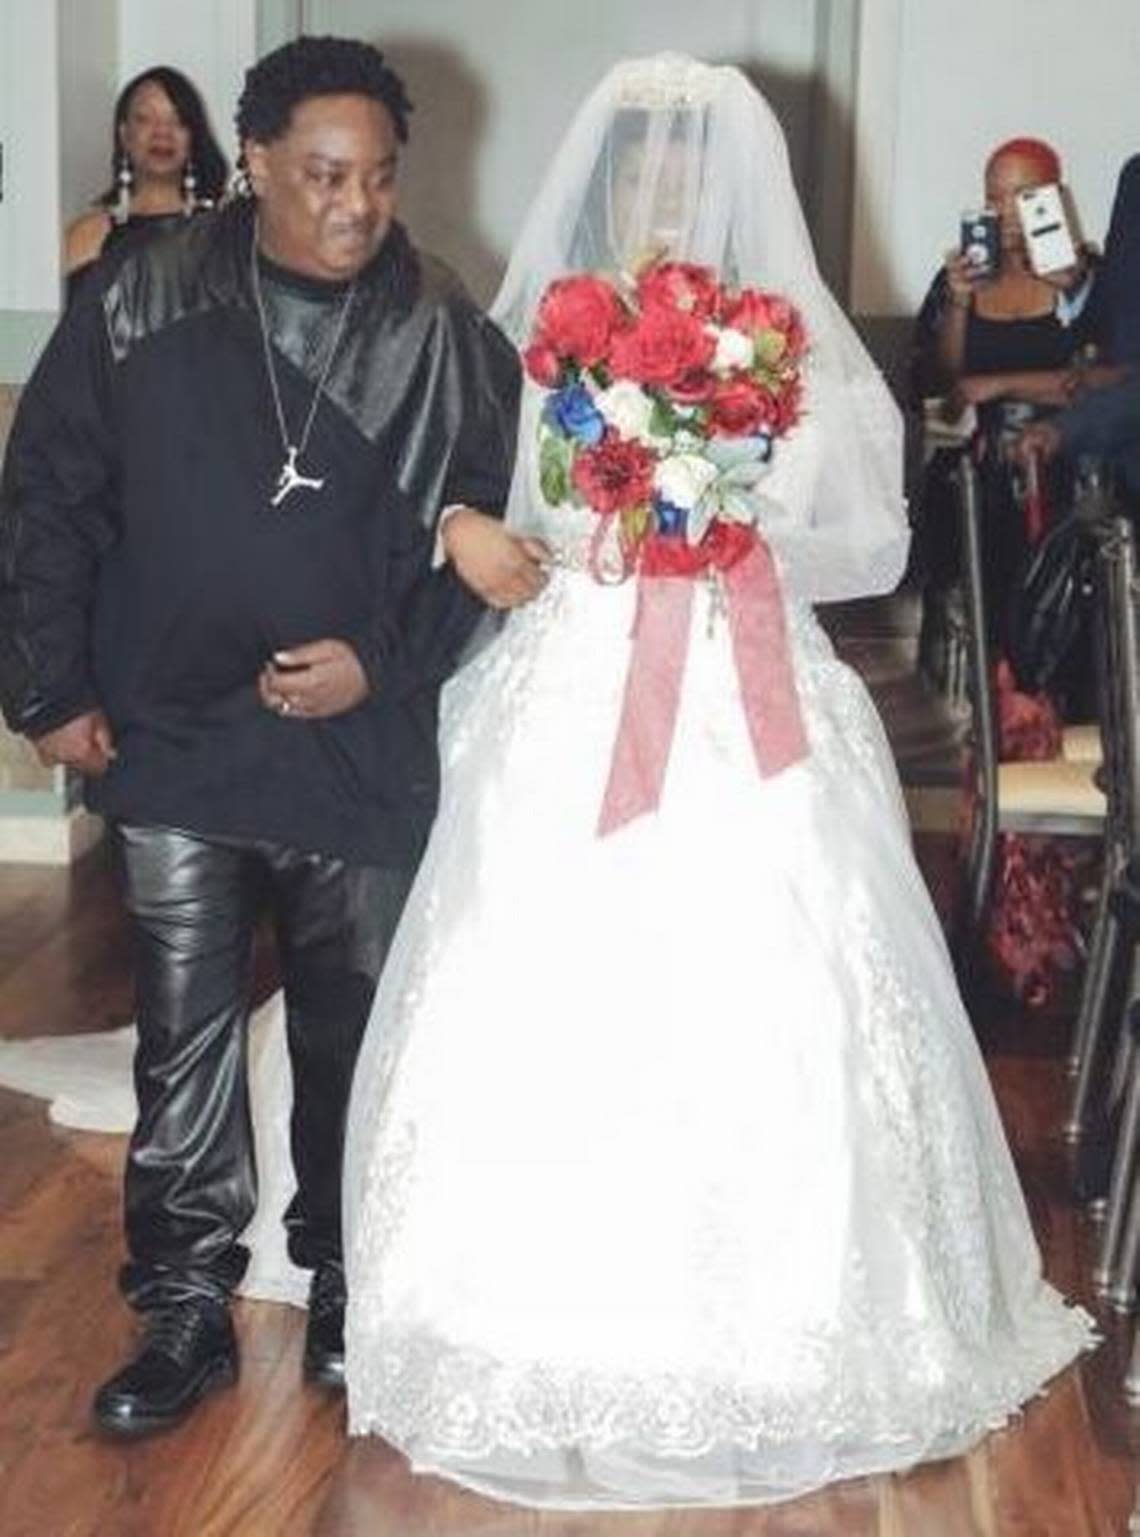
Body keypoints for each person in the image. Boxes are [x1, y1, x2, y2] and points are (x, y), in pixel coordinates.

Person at [336, 56, 1095, 1510]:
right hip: (583, 660)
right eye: (646, 171)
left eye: (691, 172)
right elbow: (507, 501)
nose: (669, 195)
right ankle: (518, 1299)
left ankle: (798, 1308)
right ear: (612, 185)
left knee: (779, 959)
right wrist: (610, 502)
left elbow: (867, 530)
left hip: (740, 667)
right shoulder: (555, 333)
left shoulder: (781, 336)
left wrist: (722, 501)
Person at [0, 34, 541, 1439]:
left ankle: (349, 1281)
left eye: (375, 176)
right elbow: (48, 491)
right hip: (176, 729)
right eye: (323, 174)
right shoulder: (143, 293)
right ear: (253, 163)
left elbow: (474, 540)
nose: (356, 204)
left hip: (354, 755)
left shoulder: (438, 324)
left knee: (349, 1032)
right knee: (180, 1034)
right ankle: (181, 1306)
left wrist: (387, 661)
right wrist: (46, 686)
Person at [911, 137, 1102, 697]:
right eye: (994, 199)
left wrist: (1001, 384)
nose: (1008, 214)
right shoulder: (962, 279)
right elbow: (941, 390)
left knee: (1058, 638)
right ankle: (986, 746)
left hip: (1065, 477)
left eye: (1025, 197)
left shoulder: (1091, 278)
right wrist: (960, 303)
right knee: (979, 632)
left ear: (1057, 200)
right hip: (977, 477)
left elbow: (1105, 381)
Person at [64, 67, 228, 300]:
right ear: (124, 134)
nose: (162, 132)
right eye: (144, 119)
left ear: (193, 136)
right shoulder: (88, 234)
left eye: (177, 120)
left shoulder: (224, 230)